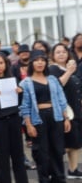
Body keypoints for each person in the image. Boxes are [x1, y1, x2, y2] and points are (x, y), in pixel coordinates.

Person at [19, 50, 71, 183]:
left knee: (58, 151)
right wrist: (29, 125)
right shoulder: (26, 83)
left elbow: (61, 99)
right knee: (42, 153)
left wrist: (66, 118)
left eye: (43, 60)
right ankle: (44, 179)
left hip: (56, 117)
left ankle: (59, 178)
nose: (40, 63)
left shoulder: (52, 79)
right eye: (37, 60)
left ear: (46, 63)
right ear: (32, 63)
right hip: (38, 119)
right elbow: (24, 106)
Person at [0, 53, 28, 183]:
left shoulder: (12, 79)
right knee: (2, 158)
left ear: (6, 64)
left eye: (1, 63)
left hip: (14, 120)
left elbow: (18, 102)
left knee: (18, 155)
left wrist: (20, 93)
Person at [49, 43, 82, 179]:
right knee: (63, 145)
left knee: (75, 143)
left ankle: (73, 170)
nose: (61, 54)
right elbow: (57, 85)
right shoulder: (53, 69)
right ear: (53, 55)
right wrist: (69, 72)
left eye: (64, 51)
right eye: (58, 52)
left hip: (75, 109)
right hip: (63, 111)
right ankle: (55, 172)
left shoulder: (70, 67)